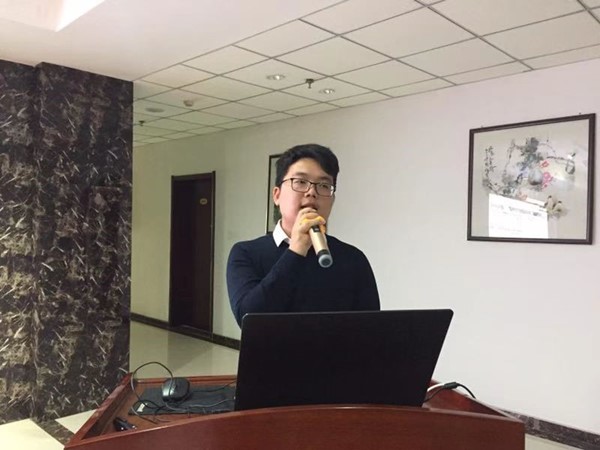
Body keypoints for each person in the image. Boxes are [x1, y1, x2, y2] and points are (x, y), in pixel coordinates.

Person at [226, 143, 380, 326]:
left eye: (324, 185)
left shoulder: (353, 258)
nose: (312, 192)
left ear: (332, 199)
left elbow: (371, 329)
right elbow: (249, 319)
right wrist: (296, 250)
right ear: (277, 195)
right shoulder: (246, 253)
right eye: (300, 182)